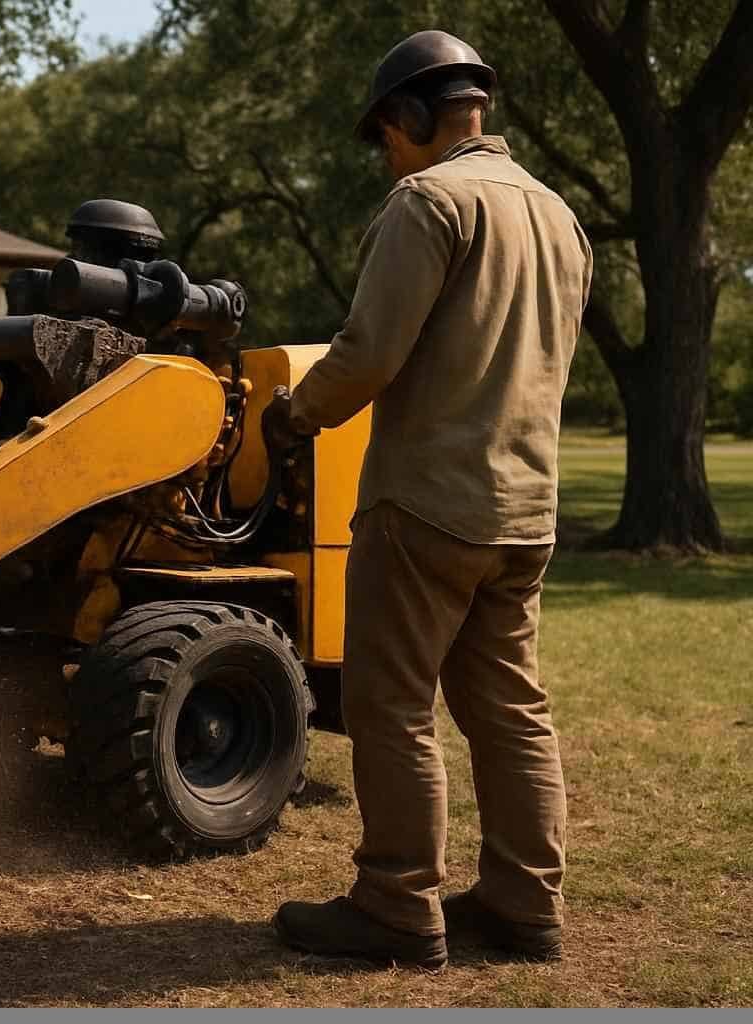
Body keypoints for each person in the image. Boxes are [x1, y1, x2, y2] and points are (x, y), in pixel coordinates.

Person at [260, 29, 594, 969]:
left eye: (385, 137)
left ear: (409, 115)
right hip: (524, 512)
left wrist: (293, 417)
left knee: (392, 705)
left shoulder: (429, 202)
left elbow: (368, 354)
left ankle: (397, 905)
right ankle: (525, 907)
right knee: (510, 709)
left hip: (425, 507)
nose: (386, 157)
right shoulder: (559, 216)